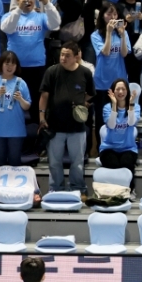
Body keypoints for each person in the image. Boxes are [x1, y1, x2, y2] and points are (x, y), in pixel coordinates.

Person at [39, 43, 94, 195]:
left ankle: (78, 189)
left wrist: (81, 102)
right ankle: (55, 189)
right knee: (54, 162)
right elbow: (44, 96)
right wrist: (42, 116)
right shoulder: (51, 71)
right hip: (54, 125)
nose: (63, 58)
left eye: (67, 55)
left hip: (77, 127)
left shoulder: (85, 73)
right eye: (62, 54)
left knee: (77, 162)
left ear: (76, 56)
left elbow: (91, 93)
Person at [0, 52, 31, 169]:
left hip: (16, 130)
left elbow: (27, 106)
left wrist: (20, 99)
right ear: (1, 64)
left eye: (13, 64)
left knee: (15, 163)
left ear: (16, 66)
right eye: (7, 64)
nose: (10, 67)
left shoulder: (21, 82)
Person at [99, 79, 141, 172]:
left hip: (129, 148)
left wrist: (131, 104)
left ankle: (129, 182)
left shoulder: (135, 107)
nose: (120, 92)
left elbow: (131, 123)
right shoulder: (107, 107)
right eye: (118, 89)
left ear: (127, 91)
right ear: (113, 91)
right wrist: (114, 105)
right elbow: (111, 125)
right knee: (113, 165)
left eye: (123, 89)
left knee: (126, 165)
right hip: (108, 148)